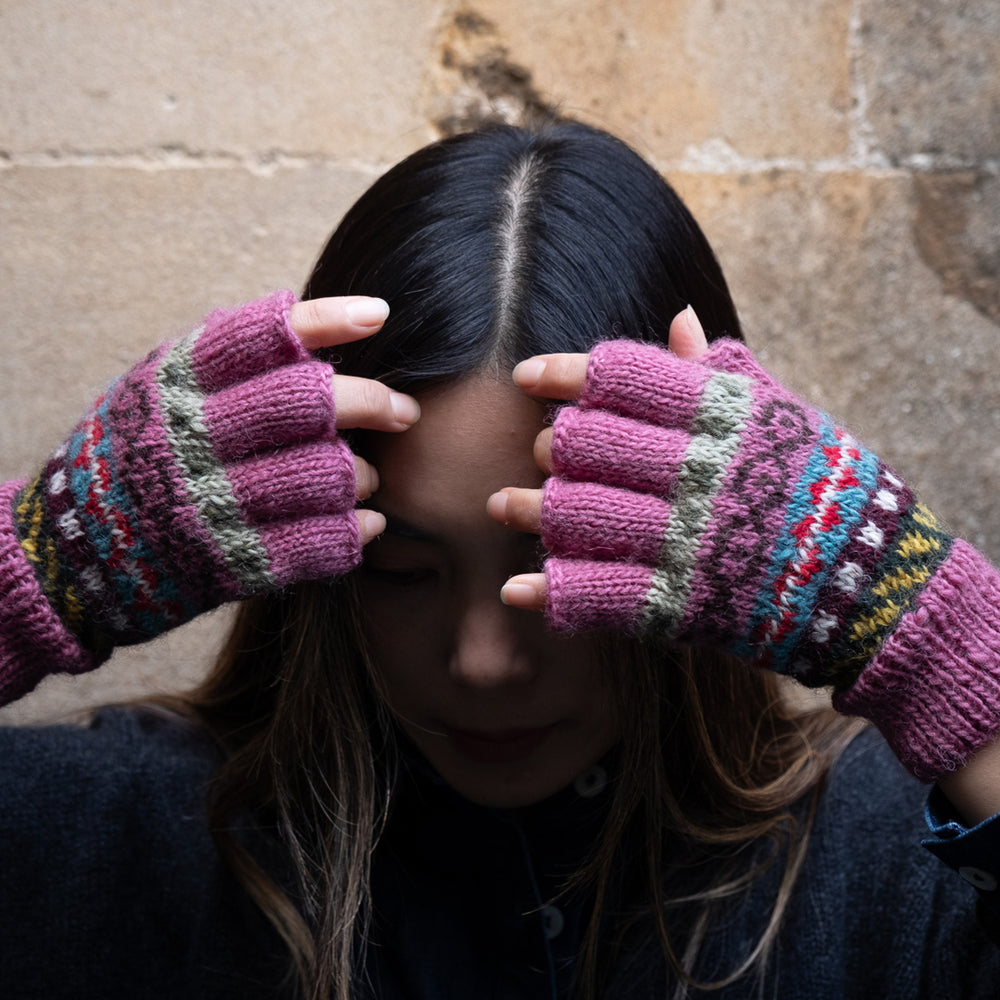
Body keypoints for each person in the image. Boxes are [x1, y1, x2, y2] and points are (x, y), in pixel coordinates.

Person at [1, 119, 999, 1000]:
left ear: (715, 544)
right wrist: (42, 567)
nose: (482, 659)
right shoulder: (114, 841)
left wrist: (933, 635)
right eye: (398, 568)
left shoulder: (896, 866)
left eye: (557, 563)